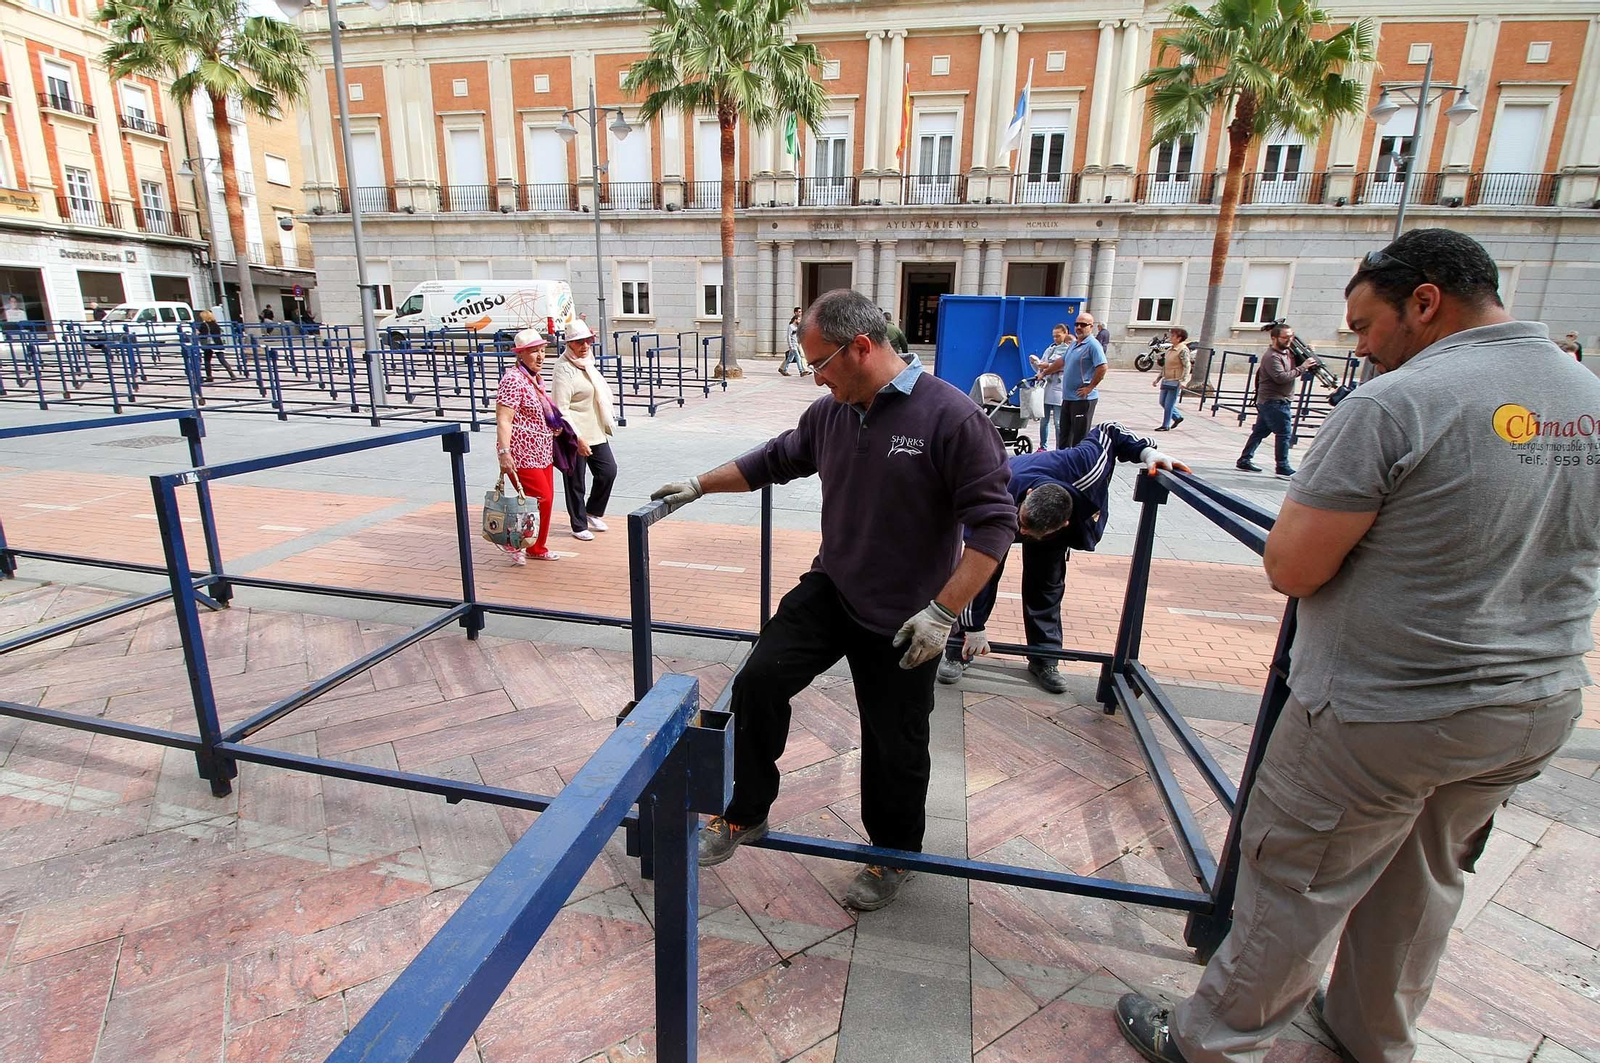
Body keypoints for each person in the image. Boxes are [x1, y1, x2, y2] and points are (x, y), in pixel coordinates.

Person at [1115, 228, 1600, 1063]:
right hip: (1532, 702)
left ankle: (1215, 1043)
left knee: (1298, 884)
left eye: (1367, 325)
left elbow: (1294, 564)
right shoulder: (1587, 393)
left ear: (1425, 301)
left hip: (1386, 707)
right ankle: (1371, 1033)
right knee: (1425, 880)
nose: (1361, 348)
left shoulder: (1395, 403)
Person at [651, 289, 1016, 911]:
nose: (815, 375)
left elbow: (994, 526)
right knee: (760, 680)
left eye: (820, 362)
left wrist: (942, 613)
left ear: (863, 348)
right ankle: (747, 812)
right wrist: (697, 485)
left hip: (909, 613)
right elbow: (776, 459)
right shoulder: (831, 413)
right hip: (835, 587)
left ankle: (893, 855)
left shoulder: (951, 418)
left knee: (893, 742)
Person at [939, 422, 1186, 693]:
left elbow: (1109, 431)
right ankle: (960, 646)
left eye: (1029, 532)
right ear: (1029, 496)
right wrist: (973, 626)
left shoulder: (1087, 467)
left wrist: (1144, 453)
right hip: (1009, 500)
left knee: (1046, 581)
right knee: (984, 570)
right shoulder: (997, 490)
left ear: (1063, 525)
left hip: (1057, 511)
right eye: (1022, 526)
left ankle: (1044, 656)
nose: (1022, 533)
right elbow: (977, 562)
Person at [494, 327, 563, 564]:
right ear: (520, 354)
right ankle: (512, 542)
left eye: (542, 350)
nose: (540, 356)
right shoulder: (513, 379)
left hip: (542, 450)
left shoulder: (534, 378)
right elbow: (504, 418)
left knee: (546, 499)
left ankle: (537, 547)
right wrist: (504, 452)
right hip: (521, 452)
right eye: (534, 352)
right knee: (537, 499)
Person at [552, 318, 618, 542]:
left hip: (596, 429)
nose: (585, 346)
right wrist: (577, 438)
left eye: (588, 341)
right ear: (569, 344)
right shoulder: (563, 369)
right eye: (579, 342)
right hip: (575, 434)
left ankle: (592, 511)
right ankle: (578, 524)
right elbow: (561, 409)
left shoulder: (588, 361)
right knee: (575, 481)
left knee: (608, 471)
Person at [1236, 323, 1316, 477]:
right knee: (1284, 434)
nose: (1289, 340)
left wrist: (1307, 357)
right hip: (1274, 401)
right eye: (1285, 337)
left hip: (1275, 401)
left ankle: (1244, 459)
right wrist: (1303, 367)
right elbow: (1281, 378)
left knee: (1259, 432)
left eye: (1291, 337)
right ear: (1274, 338)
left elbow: (1296, 365)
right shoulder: (1272, 357)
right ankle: (1282, 466)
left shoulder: (1288, 353)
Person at [1059, 313, 1108, 448]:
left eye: (1083, 325)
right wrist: (1045, 371)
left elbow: (1103, 367)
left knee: (1079, 439)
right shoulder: (1074, 344)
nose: (1079, 327)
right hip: (1068, 397)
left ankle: (1078, 467)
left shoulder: (1093, 345)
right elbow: (1062, 361)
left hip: (1082, 399)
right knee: (1064, 436)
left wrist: (1090, 387)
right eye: (1077, 324)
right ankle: (1061, 465)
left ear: (1091, 327)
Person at [1030, 323, 1071, 449]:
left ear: (1066, 334)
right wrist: (1036, 363)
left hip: (1059, 389)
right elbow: (1040, 369)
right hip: (1047, 388)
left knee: (1058, 422)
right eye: (1054, 336)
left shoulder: (1069, 350)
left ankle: (1060, 447)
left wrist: (1047, 366)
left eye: (1058, 336)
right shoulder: (1050, 349)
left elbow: (1061, 365)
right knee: (1044, 421)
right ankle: (1043, 446)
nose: (1055, 339)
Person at [1153, 326, 1192, 431]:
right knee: (1162, 402)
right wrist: (1158, 378)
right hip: (1167, 379)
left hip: (1175, 380)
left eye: (1173, 335)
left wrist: (1184, 380)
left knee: (1169, 404)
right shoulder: (1170, 349)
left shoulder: (1182, 350)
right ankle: (1177, 417)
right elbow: (1166, 365)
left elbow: (1187, 366)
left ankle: (1166, 425)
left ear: (1179, 338)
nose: (1171, 337)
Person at [196, 309, 235, 382]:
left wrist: (198, 333)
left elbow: (203, 335)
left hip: (209, 344)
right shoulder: (215, 324)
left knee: (207, 360)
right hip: (218, 343)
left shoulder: (204, 325)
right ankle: (232, 374)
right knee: (222, 360)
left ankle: (209, 376)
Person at [779, 307, 810, 376]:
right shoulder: (791, 326)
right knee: (798, 357)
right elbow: (789, 336)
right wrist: (790, 346)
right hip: (793, 344)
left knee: (790, 358)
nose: (800, 313)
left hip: (798, 342)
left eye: (801, 312)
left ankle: (783, 369)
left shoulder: (798, 325)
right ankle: (801, 371)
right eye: (799, 312)